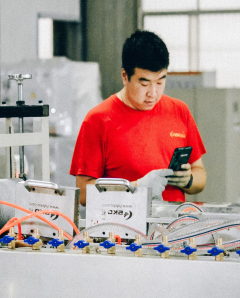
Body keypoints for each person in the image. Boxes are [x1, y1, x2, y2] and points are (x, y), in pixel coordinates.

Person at [70, 30, 207, 205]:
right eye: (144, 83)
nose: (153, 93)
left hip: (172, 220)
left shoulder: (179, 111)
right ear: (125, 76)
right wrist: (136, 187)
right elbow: (83, 194)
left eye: (160, 81)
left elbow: (199, 173)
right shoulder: (98, 120)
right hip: (124, 221)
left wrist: (188, 180)